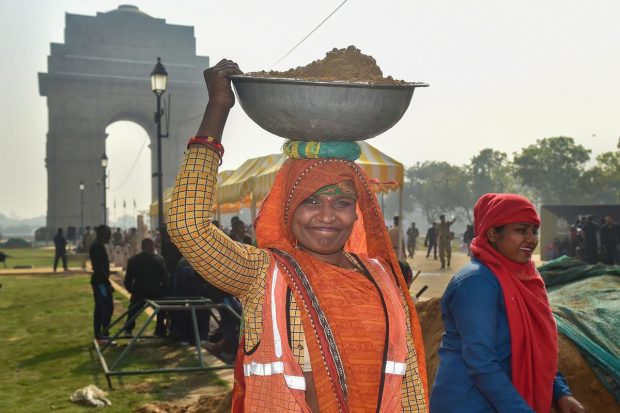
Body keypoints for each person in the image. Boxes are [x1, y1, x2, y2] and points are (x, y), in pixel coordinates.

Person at [167, 59, 428, 412]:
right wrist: (218, 108)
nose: (325, 215)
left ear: (357, 212)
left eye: (341, 202)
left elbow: (407, 386)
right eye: (310, 201)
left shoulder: (383, 280)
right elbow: (188, 226)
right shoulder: (264, 276)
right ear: (288, 212)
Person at [430, 193, 584, 413]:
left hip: (507, 400)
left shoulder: (526, 279)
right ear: (493, 233)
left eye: (534, 231)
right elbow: (481, 362)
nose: (531, 239)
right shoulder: (476, 282)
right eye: (521, 230)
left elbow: (535, 347)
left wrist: (560, 392)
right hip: (469, 403)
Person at [123, 238, 171, 337]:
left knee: (133, 310)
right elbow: (165, 279)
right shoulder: (158, 259)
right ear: (152, 246)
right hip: (155, 291)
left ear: (142, 247)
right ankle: (160, 330)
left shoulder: (133, 260)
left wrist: (132, 291)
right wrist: (165, 291)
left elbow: (127, 280)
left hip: (139, 291)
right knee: (161, 310)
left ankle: (128, 330)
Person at [89, 225, 113, 341]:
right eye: (108, 235)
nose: (110, 237)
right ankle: (103, 333)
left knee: (101, 308)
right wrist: (107, 283)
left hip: (100, 281)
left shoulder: (98, 246)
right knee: (105, 307)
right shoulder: (97, 247)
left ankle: (101, 333)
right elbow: (100, 267)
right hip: (100, 282)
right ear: (103, 235)